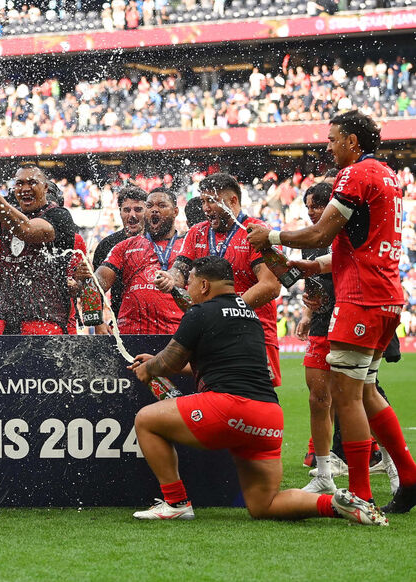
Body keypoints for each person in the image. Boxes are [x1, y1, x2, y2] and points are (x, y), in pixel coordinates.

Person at [130, 256, 385, 526]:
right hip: (268, 417)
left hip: (228, 408)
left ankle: (176, 503)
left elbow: (171, 361)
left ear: (204, 285)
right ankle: (335, 504)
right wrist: (157, 362)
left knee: (146, 420)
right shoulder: (250, 315)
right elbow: (220, 364)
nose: (188, 289)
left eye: (190, 282)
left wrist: (150, 368)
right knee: (264, 504)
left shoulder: (199, 312)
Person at [246, 110, 416, 513]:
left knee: (347, 395)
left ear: (353, 142)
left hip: (361, 298)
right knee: (367, 390)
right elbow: (358, 242)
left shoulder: (355, 174)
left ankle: (361, 491)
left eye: (334, 138)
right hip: (386, 293)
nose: (328, 145)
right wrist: (314, 265)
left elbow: (322, 232)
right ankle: (408, 476)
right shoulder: (387, 175)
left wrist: (271, 235)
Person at [155, 173, 282, 387]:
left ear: (233, 200)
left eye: (211, 201)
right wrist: (170, 278)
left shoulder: (256, 232)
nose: (205, 208)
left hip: (251, 332)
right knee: (213, 396)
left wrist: (224, 312)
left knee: (253, 399)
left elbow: (271, 286)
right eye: (203, 201)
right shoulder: (197, 233)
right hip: (210, 334)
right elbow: (179, 272)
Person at [0, 164, 78, 335]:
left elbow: (26, 231)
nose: (25, 188)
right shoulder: (5, 219)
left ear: (45, 187)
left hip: (44, 323)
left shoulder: (60, 216)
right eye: (19, 183)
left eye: (32, 182)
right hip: (5, 323)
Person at [291, 182, 339, 494]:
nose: (312, 212)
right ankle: (324, 467)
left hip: (348, 323)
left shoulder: (345, 234)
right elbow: (313, 285)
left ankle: (391, 465)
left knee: (360, 398)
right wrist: (307, 315)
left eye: (318, 205)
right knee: (318, 396)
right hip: (322, 325)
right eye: (309, 206)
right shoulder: (310, 241)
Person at [95, 189, 185, 334]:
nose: (154, 210)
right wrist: (97, 322)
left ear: (175, 212)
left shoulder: (189, 244)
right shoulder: (125, 246)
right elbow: (94, 285)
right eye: (149, 206)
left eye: (161, 205)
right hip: (129, 334)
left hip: (177, 338)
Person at [92, 185, 147, 316]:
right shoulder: (107, 244)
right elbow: (95, 288)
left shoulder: (157, 241)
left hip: (156, 321)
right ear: (120, 212)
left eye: (138, 209)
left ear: (147, 211)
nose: (132, 215)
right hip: (120, 320)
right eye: (127, 210)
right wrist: (98, 323)